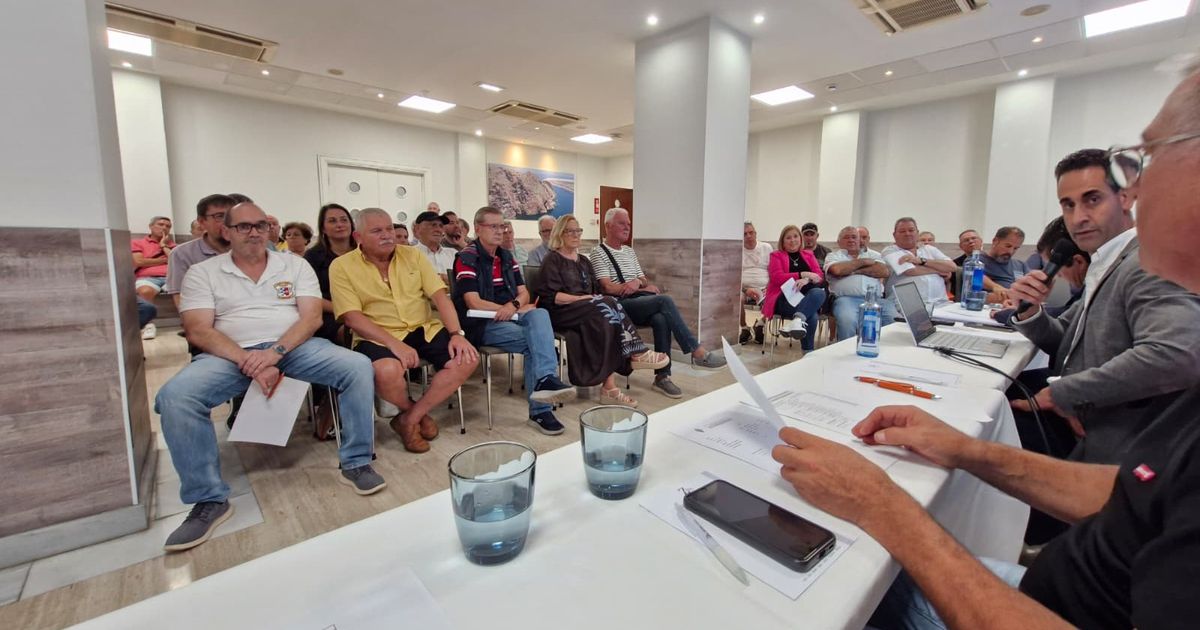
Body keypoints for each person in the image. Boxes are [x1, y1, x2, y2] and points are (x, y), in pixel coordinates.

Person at [772, 68, 1200, 628]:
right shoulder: (1110, 268)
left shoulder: (1139, 271)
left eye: (1143, 158)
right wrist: (965, 447)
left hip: (1040, 601)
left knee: (841, 580)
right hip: (1064, 575)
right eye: (1069, 203)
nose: (1135, 187)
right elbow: (1143, 493)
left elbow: (1178, 351)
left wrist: (887, 509)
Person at [156, 202, 385, 552]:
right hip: (229, 353)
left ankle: (356, 462)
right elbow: (197, 329)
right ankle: (209, 500)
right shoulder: (204, 273)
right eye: (244, 226)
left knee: (355, 366)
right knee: (176, 397)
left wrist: (274, 354)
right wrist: (249, 360)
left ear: (268, 230)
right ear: (227, 232)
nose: (254, 232)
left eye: (260, 225)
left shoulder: (294, 265)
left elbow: (310, 319)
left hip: (293, 346)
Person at [1006, 148, 1200, 463]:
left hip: (1116, 439)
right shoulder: (1108, 261)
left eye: (1092, 199)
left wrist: (1064, 395)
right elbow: (1065, 339)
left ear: (1125, 198)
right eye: (1068, 205)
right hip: (1090, 413)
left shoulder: (1149, 262)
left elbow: (1177, 356)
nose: (1077, 217)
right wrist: (1031, 311)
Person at [330, 208, 479, 453]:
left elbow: (440, 297)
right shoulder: (342, 266)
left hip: (423, 326)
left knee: (467, 358)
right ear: (358, 237)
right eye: (377, 231)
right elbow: (351, 317)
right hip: (377, 332)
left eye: (389, 228)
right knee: (386, 370)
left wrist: (456, 334)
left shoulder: (413, 256)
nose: (387, 235)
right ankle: (413, 414)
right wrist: (393, 344)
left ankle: (409, 419)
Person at [452, 206, 578, 435]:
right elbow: (473, 301)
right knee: (536, 342)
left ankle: (546, 381)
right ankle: (540, 411)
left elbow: (524, 294)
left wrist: (514, 306)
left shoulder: (506, 257)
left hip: (510, 315)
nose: (500, 231)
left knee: (540, 314)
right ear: (478, 229)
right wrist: (509, 308)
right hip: (481, 323)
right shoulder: (466, 258)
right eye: (494, 226)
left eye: (502, 226)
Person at [532, 214, 670, 408]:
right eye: (570, 231)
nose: (576, 234)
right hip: (561, 311)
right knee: (606, 306)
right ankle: (636, 352)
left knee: (607, 316)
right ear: (559, 234)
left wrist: (592, 300)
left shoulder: (583, 261)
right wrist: (582, 299)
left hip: (588, 309)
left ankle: (610, 388)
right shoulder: (552, 260)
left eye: (578, 230)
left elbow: (595, 291)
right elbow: (551, 296)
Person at [591, 207, 726, 400]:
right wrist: (633, 286)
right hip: (618, 306)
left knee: (661, 318)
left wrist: (638, 284)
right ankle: (696, 351)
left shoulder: (629, 252)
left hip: (637, 299)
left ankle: (662, 376)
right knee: (664, 300)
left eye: (629, 224)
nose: (627, 227)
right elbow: (607, 287)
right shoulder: (598, 252)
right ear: (608, 226)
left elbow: (643, 279)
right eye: (622, 223)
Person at [824, 226, 895, 341]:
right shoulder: (834, 256)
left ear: (859, 240)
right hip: (846, 300)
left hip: (875, 299)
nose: (851, 240)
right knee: (847, 320)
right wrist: (864, 262)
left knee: (894, 318)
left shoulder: (874, 255)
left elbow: (883, 271)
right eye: (846, 237)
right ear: (839, 242)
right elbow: (837, 270)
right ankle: (845, 353)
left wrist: (852, 269)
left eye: (854, 237)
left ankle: (887, 353)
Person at [762, 225, 827, 348]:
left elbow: (819, 276)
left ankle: (797, 321)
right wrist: (802, 274)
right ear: (783, 241)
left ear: (800, 238)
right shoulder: (776, 255)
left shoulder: (808, 255)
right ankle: (807, 353)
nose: (793, 240)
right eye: (788, 238)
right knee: (810, 314)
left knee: (819, 293)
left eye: (796, 236)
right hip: (785, 297)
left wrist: (807, 280)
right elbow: (776, 277)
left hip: (807, 297)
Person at [166, 195, 235, 310]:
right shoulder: (182, 254)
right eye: (219, 216)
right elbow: (181, 299)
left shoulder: (249, 250)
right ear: (202, 222)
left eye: (231, 217)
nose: (227, 222)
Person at [304, 203, 356, 343]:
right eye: (332, 221)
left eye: (344, 220)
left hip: (366, 309)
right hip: (331, 313)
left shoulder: (364, 252)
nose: (339, 224)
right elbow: (309, 296)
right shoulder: (313, 256)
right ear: (323, 229)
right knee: (353, 332)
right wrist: (344, 309)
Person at [881, 217, 956, 306]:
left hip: (941, 303)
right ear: (894, 235)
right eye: (902, 231)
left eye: (911, 230)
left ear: (917, 233)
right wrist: (940, 269)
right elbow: (911, 271)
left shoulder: (929, 249)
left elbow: (952, 267)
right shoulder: (890, 251)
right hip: (907, 306)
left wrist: (921, 261)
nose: (907, 234)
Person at [132, 215, 176, 338]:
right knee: (145, 291)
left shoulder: (172, 245)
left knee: (184, 290)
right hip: (148, 277)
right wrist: (163, 260)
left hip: (170, 277)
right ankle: (148, 325)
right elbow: (139, 262)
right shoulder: (138, 243)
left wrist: (163, 245)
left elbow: (175, 260)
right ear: (151, 227)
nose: (164, 228)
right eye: (160, 224)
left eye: (168, 226)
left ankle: (188, 321)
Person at [740, 221, 773, 344]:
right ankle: (744, 328)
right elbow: (734, 275)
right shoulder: (737, 249)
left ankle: (760, 324)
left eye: (751, 232)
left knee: (775, 298)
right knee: (736, 299)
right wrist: (745, 290)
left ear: (755, 234)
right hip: (743, 288)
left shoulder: (766, 247)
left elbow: (773, 270)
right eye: (744, 234)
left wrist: (769, 287)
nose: (748, 236)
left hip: (764, 287)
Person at [981, 226, 1029, 295]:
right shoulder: (977, 261)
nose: (1010, 251)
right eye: (1008, 246)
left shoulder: (1020, 265)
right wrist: (996, 287)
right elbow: (975, 276)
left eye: (1015, 248)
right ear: (995, 241)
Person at [413, 211, 457, 282]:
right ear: (417, 228)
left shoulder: (453, 254)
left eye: (441, 226)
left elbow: (464, 280)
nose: (438, 230)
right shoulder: (409, 254)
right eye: (433, 225)